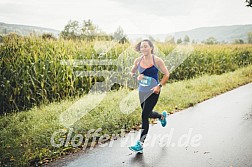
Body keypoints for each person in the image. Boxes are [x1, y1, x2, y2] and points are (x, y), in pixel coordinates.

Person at [128, 39, 170, 153]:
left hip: (153, 91)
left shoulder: (157, 60)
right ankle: (161, 116)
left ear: (151, 48)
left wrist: (159, 86)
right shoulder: (138, 60)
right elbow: (132, 72)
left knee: (144, 115)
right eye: (142, 47)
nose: (143, 49)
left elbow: (167, 74)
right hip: (142, 91)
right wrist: (136, 76)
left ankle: (140, 144)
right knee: (149, 113)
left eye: (146, 46)